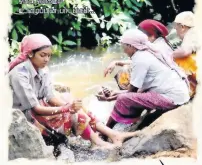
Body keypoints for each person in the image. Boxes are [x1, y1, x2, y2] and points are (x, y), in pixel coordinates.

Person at [8, 34, 137, 150]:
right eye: (43, 55)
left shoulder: (43, 69)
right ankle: (97, 140)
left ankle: (110, 135)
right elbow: (35, 109)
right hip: (25, 116)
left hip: (40, 108)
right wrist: (66, 109)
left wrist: (70, 105)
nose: (47, 59)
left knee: (70, 101)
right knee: (70, 111)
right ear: (30, 54)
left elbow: (50, 96)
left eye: (49, 55)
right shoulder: (20, 74)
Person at [98, 29, 190, 128]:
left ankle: (106, 129)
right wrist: (114, 93)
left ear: (131, 46)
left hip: (172, 98)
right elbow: (136, 89)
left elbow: (132, 92)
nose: (123, 50)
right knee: (126, 95)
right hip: (178, 94)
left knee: (123, 98)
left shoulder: (140, 58)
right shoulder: (147, 51)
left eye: (124, 47)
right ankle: (115, 126)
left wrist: (110, 98)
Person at [104, 19, 174, 89]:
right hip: (165, 83)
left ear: (152, 36)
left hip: (165, 85)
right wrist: (117, 62)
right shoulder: (156, 45)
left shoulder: (159, 47)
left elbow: (141, 63)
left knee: (125, 71)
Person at [172, 11, 200, 97]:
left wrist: (169, 55)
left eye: (176, 29)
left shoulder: (191, 34)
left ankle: (190, 89)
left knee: (180, 59)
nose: (176, 33)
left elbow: (185, 52)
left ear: (183, 27)